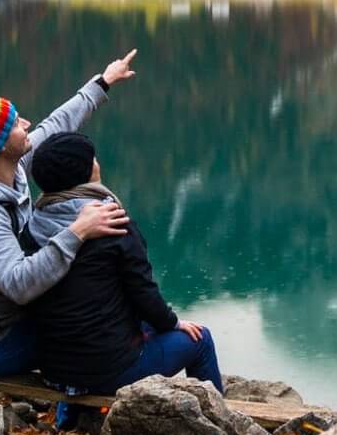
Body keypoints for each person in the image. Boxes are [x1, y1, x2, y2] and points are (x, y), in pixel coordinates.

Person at [0, 50, 140, 377]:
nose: (27, 124)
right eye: (16, 123)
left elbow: (55, 124)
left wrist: (103, 82)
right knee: (99, 329)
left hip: (7, 318)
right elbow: (18, 284)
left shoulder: (7, 166)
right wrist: (78, 231)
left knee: (106, 313)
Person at [22, 131, 219, 395]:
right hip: (108, 372)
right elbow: (143, 292)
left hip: (54, 370)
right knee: (200, 339)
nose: (97, 163)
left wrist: (165, 321)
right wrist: (173, 324)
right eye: (93, 159)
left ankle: (70, 413)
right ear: (86, 171)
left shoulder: (34, 224)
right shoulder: (113, 225)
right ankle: (217, 416)